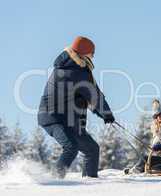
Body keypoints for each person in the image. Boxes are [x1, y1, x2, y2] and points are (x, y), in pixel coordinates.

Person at [38, 36, 115, 178]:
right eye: (92, 52)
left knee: (92, 149)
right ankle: (54, 181)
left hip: (68, 119)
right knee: (70, 147)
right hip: (53, 118)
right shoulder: (75, 71)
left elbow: (90, 95)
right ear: (83, 52)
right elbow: (94, 95)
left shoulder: (76, 68)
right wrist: (107, 114)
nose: (93, 56)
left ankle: (90, 183)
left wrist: (104, 113)